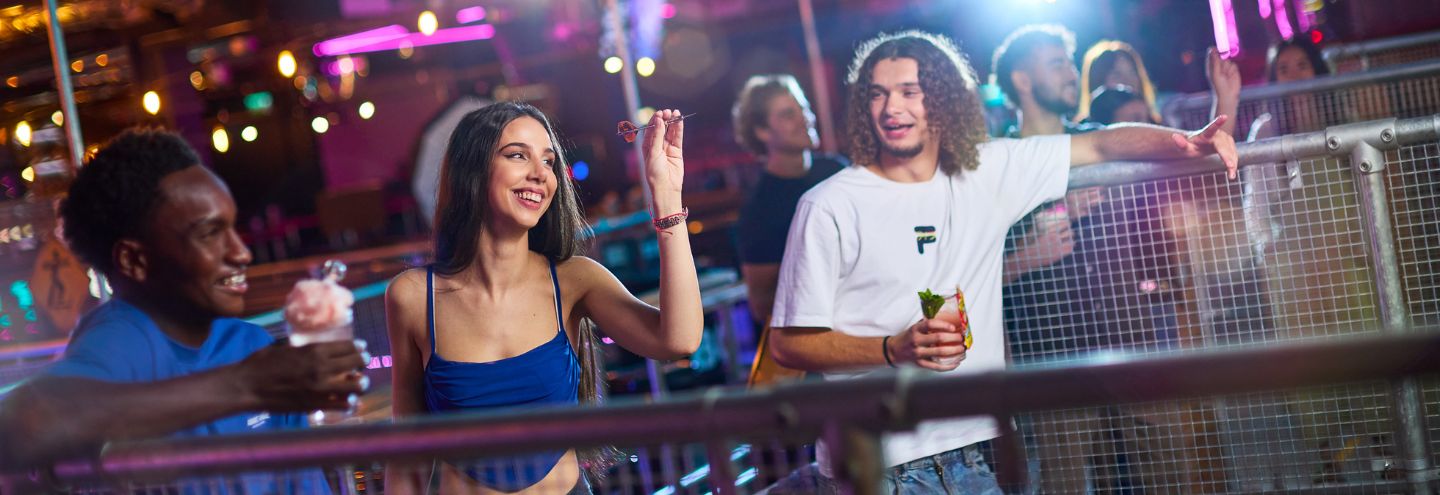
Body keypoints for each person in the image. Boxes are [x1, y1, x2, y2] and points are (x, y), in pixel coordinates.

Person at [766, 30, 1236, 494]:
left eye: (909, 91)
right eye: (878, 94)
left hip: (974, 455)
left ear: (942, 97)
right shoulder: (828, 205)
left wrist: (1188, 141)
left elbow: (1103, 144)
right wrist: (893, 349)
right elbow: (788, 344)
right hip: (875, 464)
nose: (892, 108)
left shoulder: (987, 172)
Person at [0, 129, 367, 490]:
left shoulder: (250, 343)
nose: (241, 252)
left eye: (233, 228)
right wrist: (251, 384)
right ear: (134, 260)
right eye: (209, 234)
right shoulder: (124, 338)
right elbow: (28, 423)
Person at [384, 102, 702, 494]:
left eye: (549, 161)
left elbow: (679, 340)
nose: (540, 174)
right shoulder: (413, 296)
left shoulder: (573, 279)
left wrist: (668, 200)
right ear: (473, 169)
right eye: (518, 155)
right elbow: (408, 455)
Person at [730, 74, 849, 387]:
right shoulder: (760, 209)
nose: (805, 118)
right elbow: (760, 304)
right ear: (761, 132)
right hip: (812, 360)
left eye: (803, 107)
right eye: (787, 114)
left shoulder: (837, 170)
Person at [1075, 40, 1162, 125]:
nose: (1128, 81)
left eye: (1132, 73)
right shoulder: (1082, 131)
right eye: (1116, 75)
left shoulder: (1158, 126)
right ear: (1097, 81)